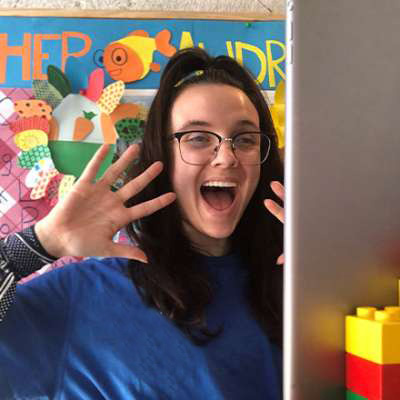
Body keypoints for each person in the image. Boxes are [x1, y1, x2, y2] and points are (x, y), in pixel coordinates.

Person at [0, 47, 285, 399]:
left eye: (244, 140)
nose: (227, 157)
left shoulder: (291, 283)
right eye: (197, 138)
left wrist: (337, 281)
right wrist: (39, 243)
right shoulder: (83, 295)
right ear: (161, 159)